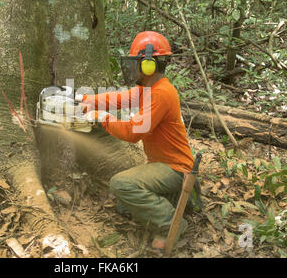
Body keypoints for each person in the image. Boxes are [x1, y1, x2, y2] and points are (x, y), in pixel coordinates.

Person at [75, 31, 196, 250]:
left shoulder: (161, 94)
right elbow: (119, 99)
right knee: (125, 203)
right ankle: (170, 200)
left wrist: (102, 118)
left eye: (136, 63)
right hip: (164, 164)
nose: (132, 69)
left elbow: (133, 133)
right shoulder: (149, 89)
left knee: (122, 184)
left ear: (149, 65)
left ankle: (172, 224)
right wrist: (83, 99)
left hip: (175, 169)